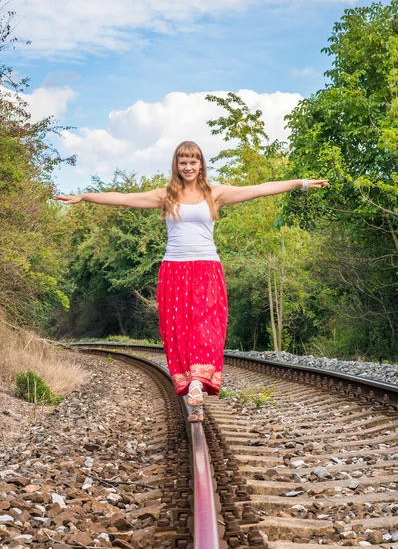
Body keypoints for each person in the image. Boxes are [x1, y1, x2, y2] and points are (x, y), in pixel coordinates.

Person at [55, 140, 328, 422]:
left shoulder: (215, 193)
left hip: (207, 268)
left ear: (201, 165)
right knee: (179, 330)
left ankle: (197, 382)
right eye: (183, 162)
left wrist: (300, 182)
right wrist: (86, 196)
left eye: (193, 162)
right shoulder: (165, 195)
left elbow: (258, 190)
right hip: (173, 270)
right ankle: (190, 384)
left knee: (206, 323)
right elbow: (125, 197)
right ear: (176, 165)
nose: (188, 167)